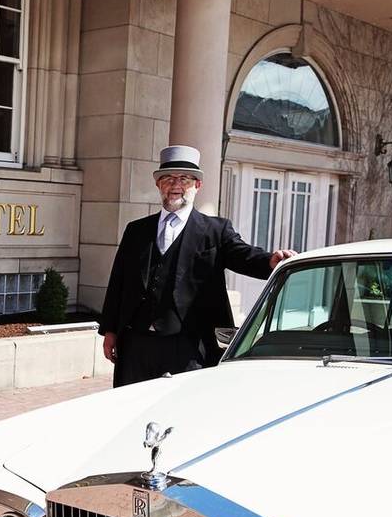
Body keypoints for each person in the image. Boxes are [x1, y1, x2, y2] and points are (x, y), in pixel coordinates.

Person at [99, 145, 296, 387]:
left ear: (197, 185)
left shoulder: (215, 230)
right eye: (168, 178)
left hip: (189, 344)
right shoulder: (136, 230)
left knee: (182, 411)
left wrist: (269, 261)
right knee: (130, 408)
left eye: (184, 178)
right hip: (136, 344)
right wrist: (110, 331)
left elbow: (242, 255)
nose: (175, 185)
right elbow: (117, 281)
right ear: (158, 184)